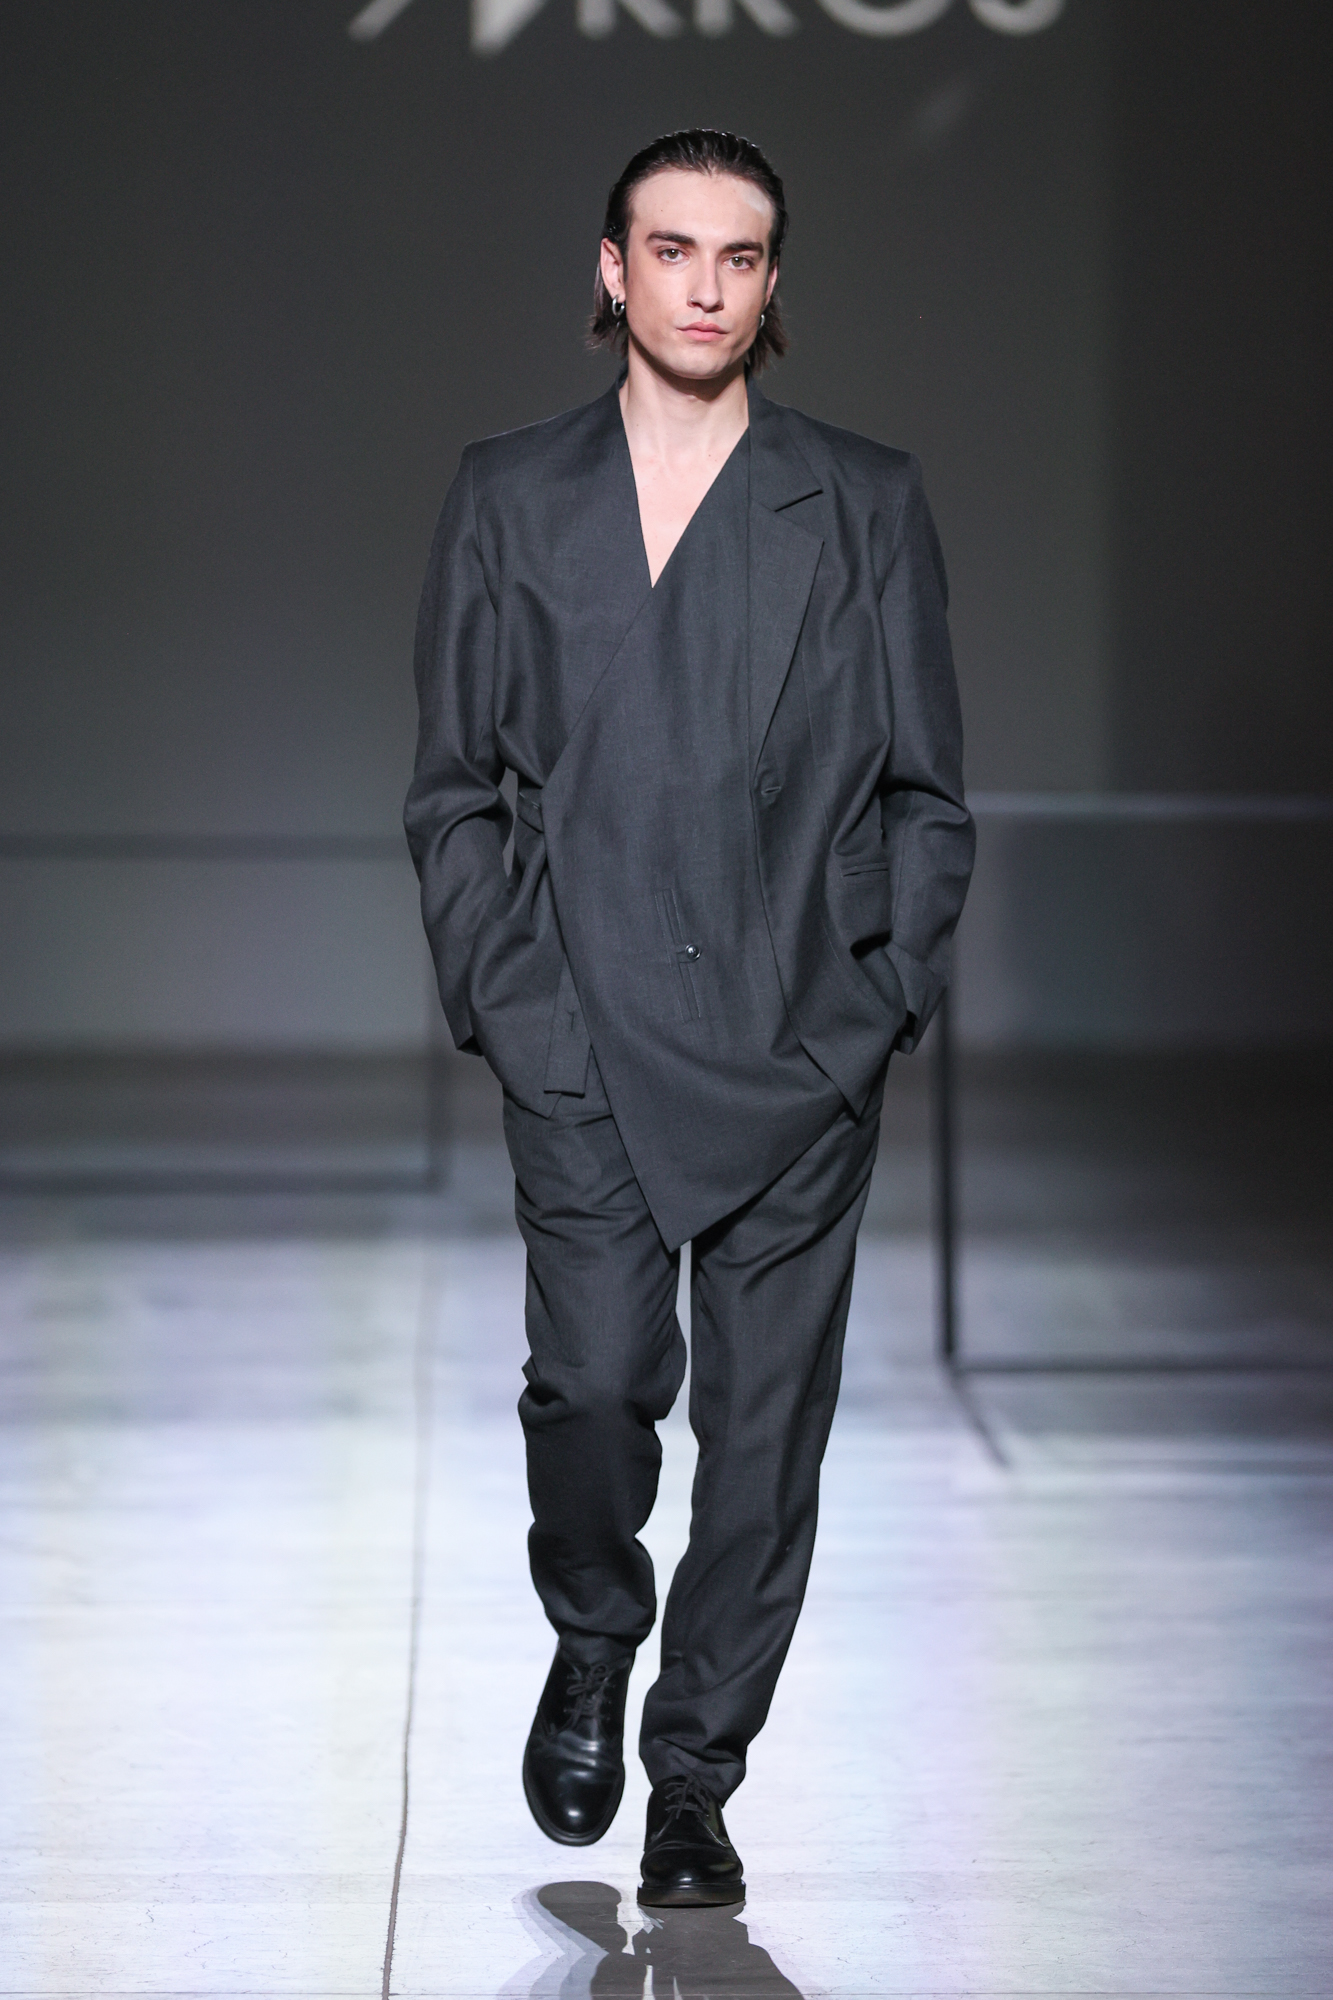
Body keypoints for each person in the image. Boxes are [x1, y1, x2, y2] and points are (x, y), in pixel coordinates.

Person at [404, 128, 973, 1907]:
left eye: (739, 257)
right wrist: (511, 1001)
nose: (705, 288)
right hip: (580, 1025)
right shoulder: (511, 495)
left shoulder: (858, 500)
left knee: (763, 1442)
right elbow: (454, 786)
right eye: (671, 251)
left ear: (772, 281)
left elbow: (925, 792)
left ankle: (694, 1779)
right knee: (587, 1386)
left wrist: (876, 998)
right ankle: (594, 1628)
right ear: (611, 269)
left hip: (796, 1038)